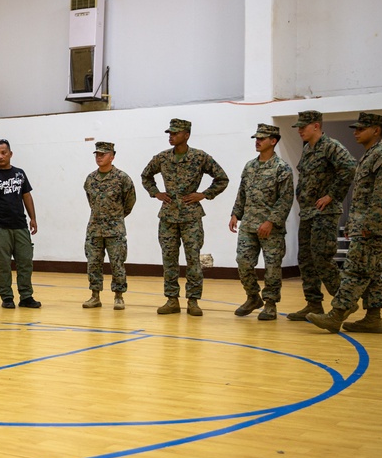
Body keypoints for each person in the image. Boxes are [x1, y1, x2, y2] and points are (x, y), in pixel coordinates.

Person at [308, 113, 382, 334]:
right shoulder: (371, 155)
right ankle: (373, 318)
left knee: (356, 271)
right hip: (365, 226)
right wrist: (352, 224)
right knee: (372, 274)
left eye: (361, 129)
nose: (355, 132)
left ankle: (336, 315)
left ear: (376, 130)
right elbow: (361, 197)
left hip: (372, 228)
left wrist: (369, 225)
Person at [141, 118, 229, 316]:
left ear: (186, 135)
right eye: (170, 133)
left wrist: (204, 194)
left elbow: (222, 178)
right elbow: (146, 176)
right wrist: (156, 193)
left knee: (193, 260)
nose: (171, 136)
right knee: (169, 260)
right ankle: (172, 300)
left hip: (191, 216)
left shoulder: (199, 157)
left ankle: (193, 301)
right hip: (168, 217)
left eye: (175, 133)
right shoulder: (162, 158)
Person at [286, 110, 357, 321]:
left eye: (303, 126)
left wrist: (331, 195)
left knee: (322, 258)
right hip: (308, 213)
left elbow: (350, 167)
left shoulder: (331, 146)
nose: (299, 130)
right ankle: (313, 304)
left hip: (324, 213)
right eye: (298, 126)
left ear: (316, 126)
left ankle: (345, 303)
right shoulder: (308, 148)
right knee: (306, 259)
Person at [228, 124, 294, 321]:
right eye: (256, 138)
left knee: (272, 266)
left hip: (270, 228)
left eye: (262, 138)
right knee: (243, 262)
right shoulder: (250, 166)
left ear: (273, 141)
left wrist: (271, 221)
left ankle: (271, 304)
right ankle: (253, 297)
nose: (257, 141)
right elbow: (242, 193)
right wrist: (235, 214)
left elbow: (286, 199)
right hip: (248, 224)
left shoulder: (282, 169)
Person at [0, 138, 40, 309]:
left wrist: (33, 218)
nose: (0, 156)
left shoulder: (20, 174)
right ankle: (7, 297)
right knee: (2, 264)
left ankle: (26, 296)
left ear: (10, 154)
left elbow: (26, 196)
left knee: (25, 262)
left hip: (20, 226)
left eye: (3, 153)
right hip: (0, 227)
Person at [82, 141, 136, 310]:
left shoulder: (122, 178)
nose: (99, 157)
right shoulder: (90, 179)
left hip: (115, 230)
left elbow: (130, 202)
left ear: (112, 156)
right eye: (97, 154)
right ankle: (95, 295)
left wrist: (117, 217)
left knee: (117, 264)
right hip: (94, 229)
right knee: (93, 263)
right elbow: (91, 201)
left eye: (103, 154)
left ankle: (118, 297)